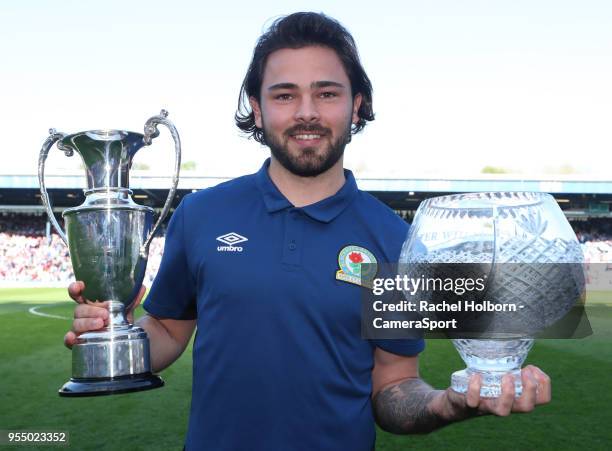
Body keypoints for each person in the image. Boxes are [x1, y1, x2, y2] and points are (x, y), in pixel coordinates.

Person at [64, 12, 551, 451]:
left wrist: (450, 403)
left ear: (356, 106)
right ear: (257, 109)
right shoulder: (203, 214)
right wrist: (112, 337)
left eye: (327, 92)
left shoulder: (391, 238)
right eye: (284, 95)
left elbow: (392, 385)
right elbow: (168, 329)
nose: (306, 112)